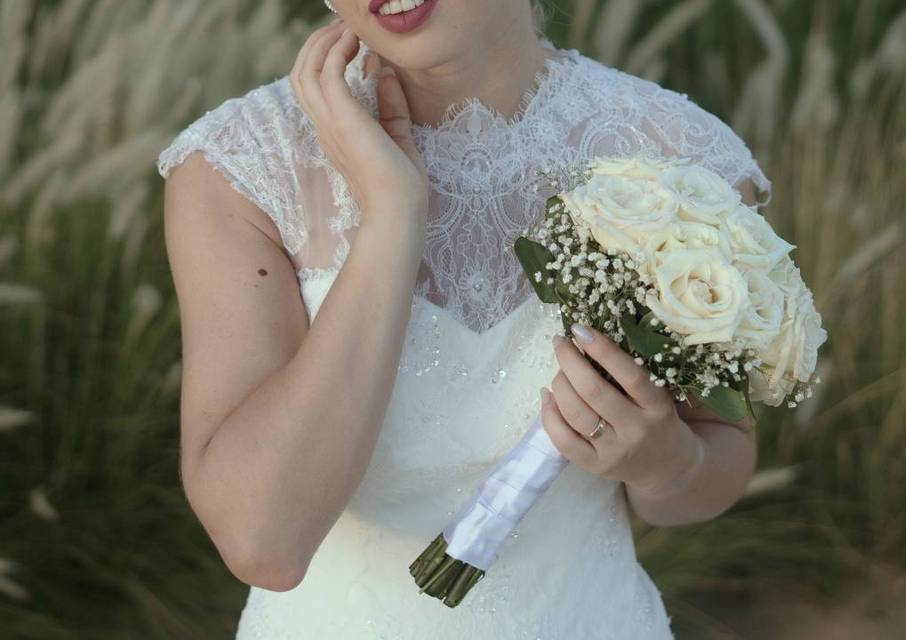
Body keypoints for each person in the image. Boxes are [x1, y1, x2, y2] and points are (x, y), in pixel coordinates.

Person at [157, 0, 770, 637]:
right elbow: (265, 543)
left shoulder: (683, 157)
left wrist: (665, 462)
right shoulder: (242, 167)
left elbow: (720, 460)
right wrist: (393, 216)